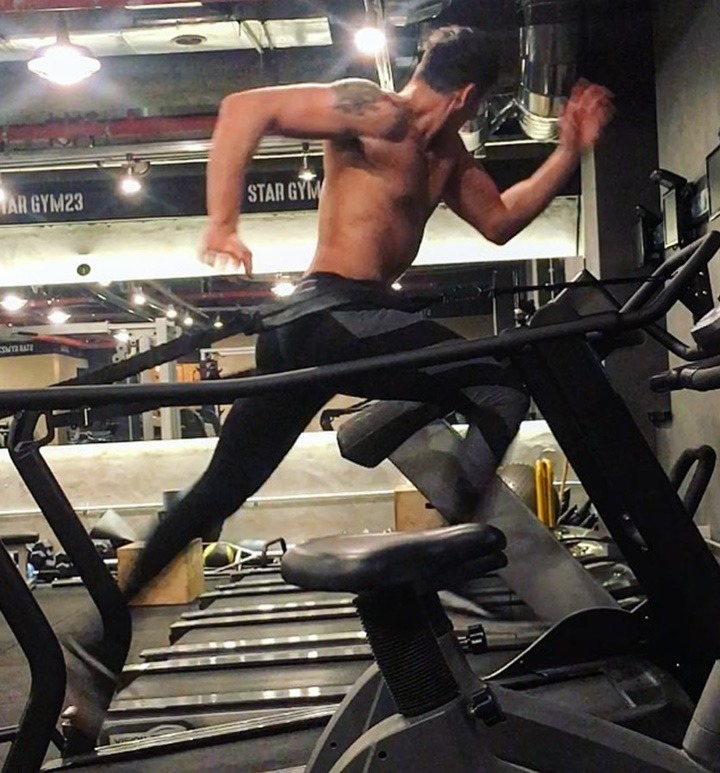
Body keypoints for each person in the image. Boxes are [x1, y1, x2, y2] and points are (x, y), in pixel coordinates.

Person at [66, 25, 614, 735]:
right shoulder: (376, 111)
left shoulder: (448, 155)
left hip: (322, 328)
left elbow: (500, 221)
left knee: (220, 491)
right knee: (500, 384)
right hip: (334, 312)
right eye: (480, 107)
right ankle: (446, 548)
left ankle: (97, 645)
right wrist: (223, 222)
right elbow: (245, 109)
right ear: (469, 96)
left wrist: (569, 149)